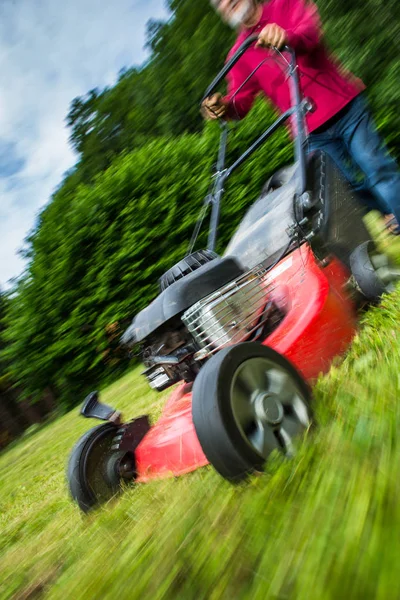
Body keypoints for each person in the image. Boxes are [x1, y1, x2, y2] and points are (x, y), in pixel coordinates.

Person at [202, 0, 400, 234]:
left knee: (377, 168)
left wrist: (285, 37)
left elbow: (311, 34)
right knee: (344, 189)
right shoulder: (239, 54)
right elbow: (240, 102)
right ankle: (389, 209)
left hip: (344, 106)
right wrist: (222, 108)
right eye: (220, 5)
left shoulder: (286, 5)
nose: (227, 4)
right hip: (310, 133)